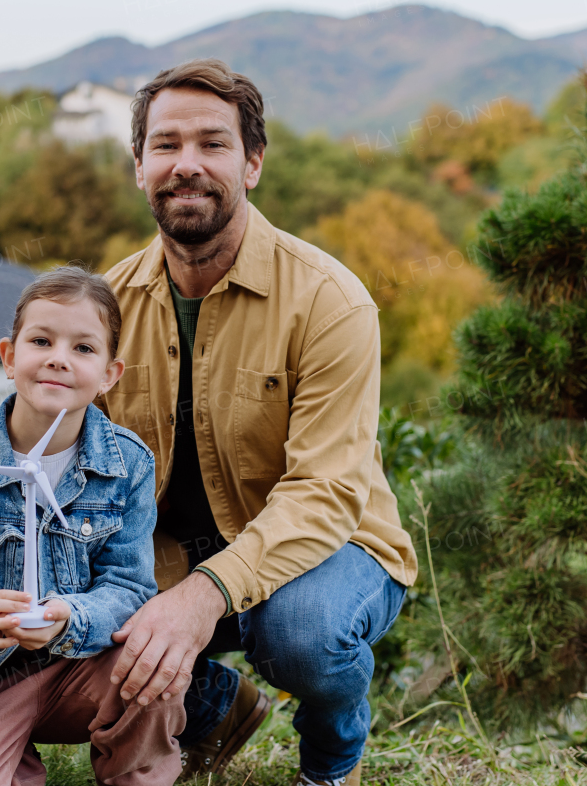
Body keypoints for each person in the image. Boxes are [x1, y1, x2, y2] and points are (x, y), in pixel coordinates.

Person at [98, 59, 419, 786]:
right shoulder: (106, 307)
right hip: (171, 555)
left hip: (331, 546)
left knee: (300, 635)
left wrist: (206, 592)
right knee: (83, 620)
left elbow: (324, 495)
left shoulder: (330, 301)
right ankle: (217, 705)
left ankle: (332, 758)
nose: (187, 165)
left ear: (252, 164)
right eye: (166, 144)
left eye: (212, 144)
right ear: (139, 166)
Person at [0, 267, 185, 786]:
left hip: (83, 666)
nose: (58, 357)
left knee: (152, 668)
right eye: (41, 340)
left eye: (83, 348)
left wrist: (69, 615)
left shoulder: (130, 465)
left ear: (109, 376)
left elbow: (129, 587)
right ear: (9, 358)